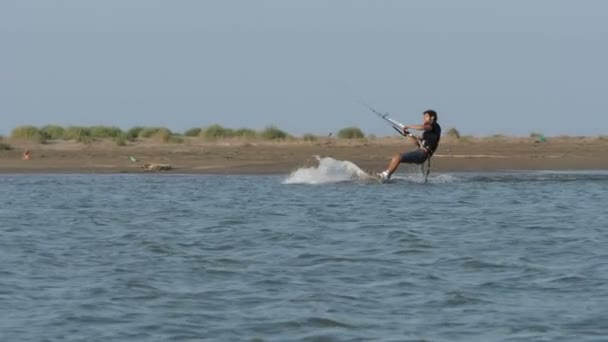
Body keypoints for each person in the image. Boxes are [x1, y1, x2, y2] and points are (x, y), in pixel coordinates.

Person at [378, 109, 441, 181]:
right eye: (423, 117)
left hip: (423, 154)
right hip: (421, 153)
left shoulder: (435, 126)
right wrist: (408, 134)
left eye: (426, 116)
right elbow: (417, 143)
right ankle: (386, 176)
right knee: (397, 157)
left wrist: (408, 126)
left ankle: (385, 176)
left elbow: (422, 127)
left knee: (397, 157)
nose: (424, 118)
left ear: (432, 118)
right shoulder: (427, 133)